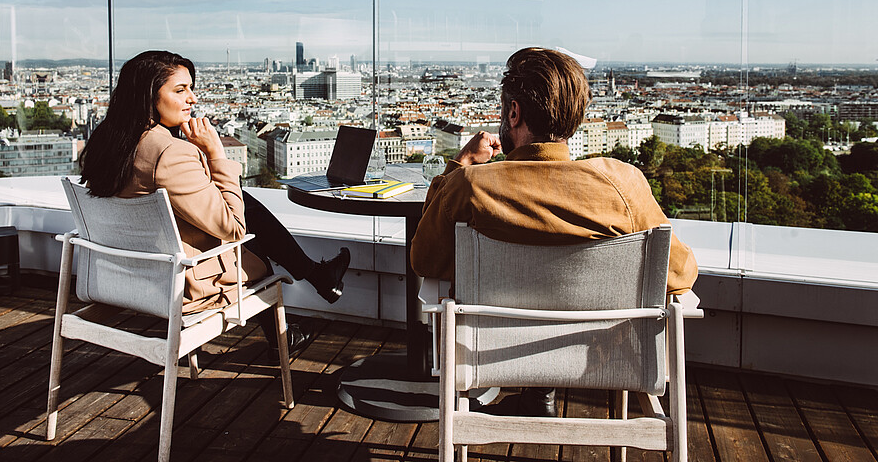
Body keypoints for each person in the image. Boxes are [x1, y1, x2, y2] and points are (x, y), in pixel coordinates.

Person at [410, 47, 698, 416]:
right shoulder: (623, 185)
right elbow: (680, 273)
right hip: (597, 359)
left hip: (489, 356)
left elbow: (424, 259)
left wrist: (461, 162)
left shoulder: (470, 187)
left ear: (513, 112)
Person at [79, 50, 350, 362]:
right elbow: (233, 227)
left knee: (243, 208)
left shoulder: (105, 142)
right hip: (181, 285)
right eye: (180, 90)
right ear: (147, 96)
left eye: (191, 88)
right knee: (249, 236)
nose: (192, 99)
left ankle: (312, 286)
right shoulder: (169, 152)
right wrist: (216, 154)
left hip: (120, 276)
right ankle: (299, 307)